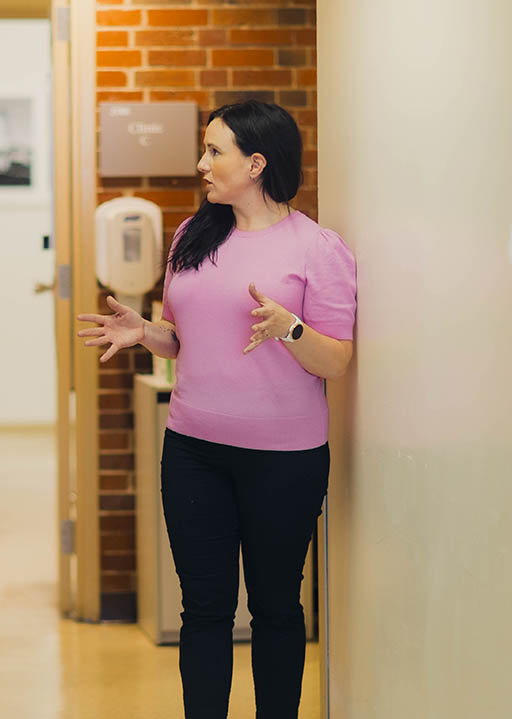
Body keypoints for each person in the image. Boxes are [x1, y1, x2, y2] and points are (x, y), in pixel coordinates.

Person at [77, 100, 356, 719]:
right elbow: (183, 341)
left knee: (277, 608)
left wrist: (289, 328)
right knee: (203, 610)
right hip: (193, 451)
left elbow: (335, 361)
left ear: (256, 163)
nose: (201, 163)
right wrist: (144, 332)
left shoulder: (318, 248)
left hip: (285, 460)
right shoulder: (192, 235)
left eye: (215, 151)